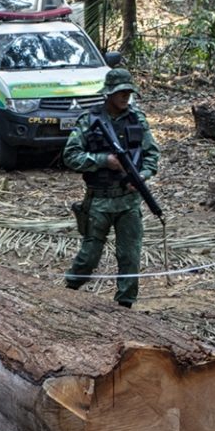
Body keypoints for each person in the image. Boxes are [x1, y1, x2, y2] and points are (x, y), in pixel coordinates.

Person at [62, 68, 161, 309]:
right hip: (99, 200)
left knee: (130, 256)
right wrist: (103, 161)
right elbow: (71, 156)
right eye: (120, 92)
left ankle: (125, 305)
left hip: (129, 200)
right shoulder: (89, 121)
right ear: (108, 94)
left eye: (128, 92)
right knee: (89, 256)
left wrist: (140, 176)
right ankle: (67, 294)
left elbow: (152, 156)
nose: (125, 96)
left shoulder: (137, 119)